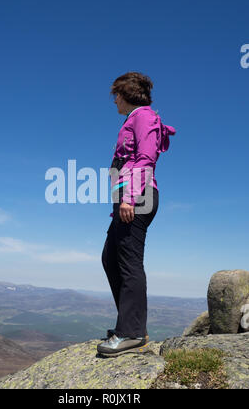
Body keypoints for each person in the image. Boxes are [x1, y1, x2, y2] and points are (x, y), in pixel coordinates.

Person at [97, 71, 176, 357]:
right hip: (128, 199)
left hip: (137, 197)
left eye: (116, 94)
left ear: (127, 93)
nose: (114, 100)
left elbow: (146, 159)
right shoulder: (133, 119)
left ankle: (130, 334)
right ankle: (132, 326)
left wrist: (129, 198)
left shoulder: (144, 116)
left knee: (129, 262)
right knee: (110, 258)